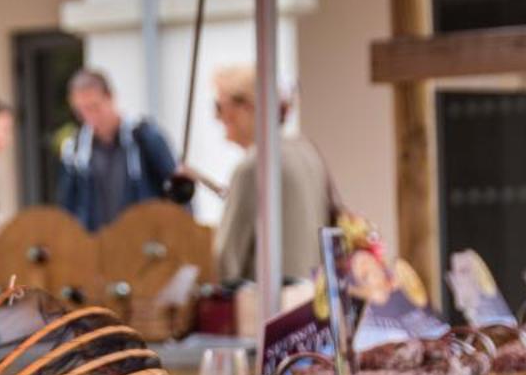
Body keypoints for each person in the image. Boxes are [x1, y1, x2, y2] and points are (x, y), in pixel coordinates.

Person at [209, 65, 337, 285]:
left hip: (268, 305)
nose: (217, 118)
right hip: (311, 301)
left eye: (220, 106)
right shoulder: (306, 153)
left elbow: (227, 259)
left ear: (247, 107)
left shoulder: (253, 167)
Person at [56, 69, 181, 232]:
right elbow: (67, 206)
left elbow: (177, 192)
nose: (89, 116)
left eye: (94, 107)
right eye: (81, 110)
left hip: (143, 244)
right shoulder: (76, 151)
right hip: (96, 246)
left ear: (110, 98)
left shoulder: (144, 138)